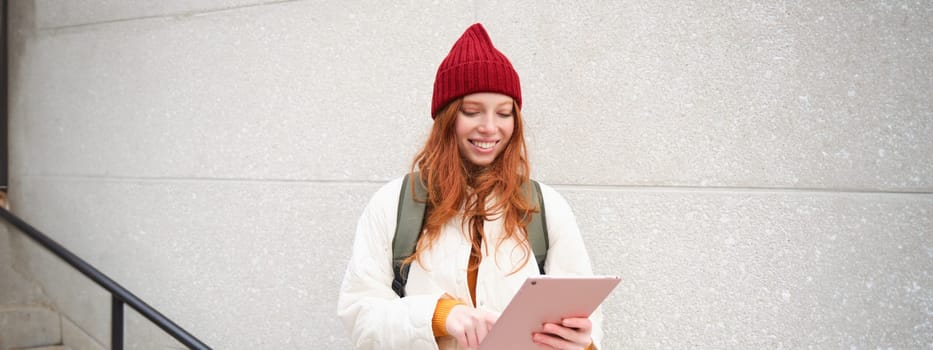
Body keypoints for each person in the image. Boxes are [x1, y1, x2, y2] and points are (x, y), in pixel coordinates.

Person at [338, 23, 602, 350]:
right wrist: (440, 315)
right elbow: (359, 314)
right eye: (472, 111)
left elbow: (585, 320)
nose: (490, 128)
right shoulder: (394, 203)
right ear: (447, 117)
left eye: (504, 113)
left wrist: (582, 343)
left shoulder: (546, 207)